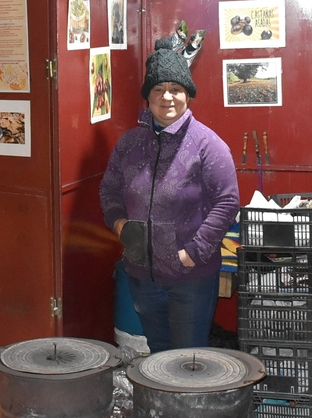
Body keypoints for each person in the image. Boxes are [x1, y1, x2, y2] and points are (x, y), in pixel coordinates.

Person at [100, 45, 239, 353]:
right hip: (142, 276)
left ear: (187, 95)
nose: (166, 97)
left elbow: (227, 202)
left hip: (190, 277)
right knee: (159, 356)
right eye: (158, 89)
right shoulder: (130, 143)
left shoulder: (207, 145)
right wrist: (119, 223)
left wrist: (193, 253)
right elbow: (109, 189)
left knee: (187, 359)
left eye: (175, 89)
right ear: (148, 96)